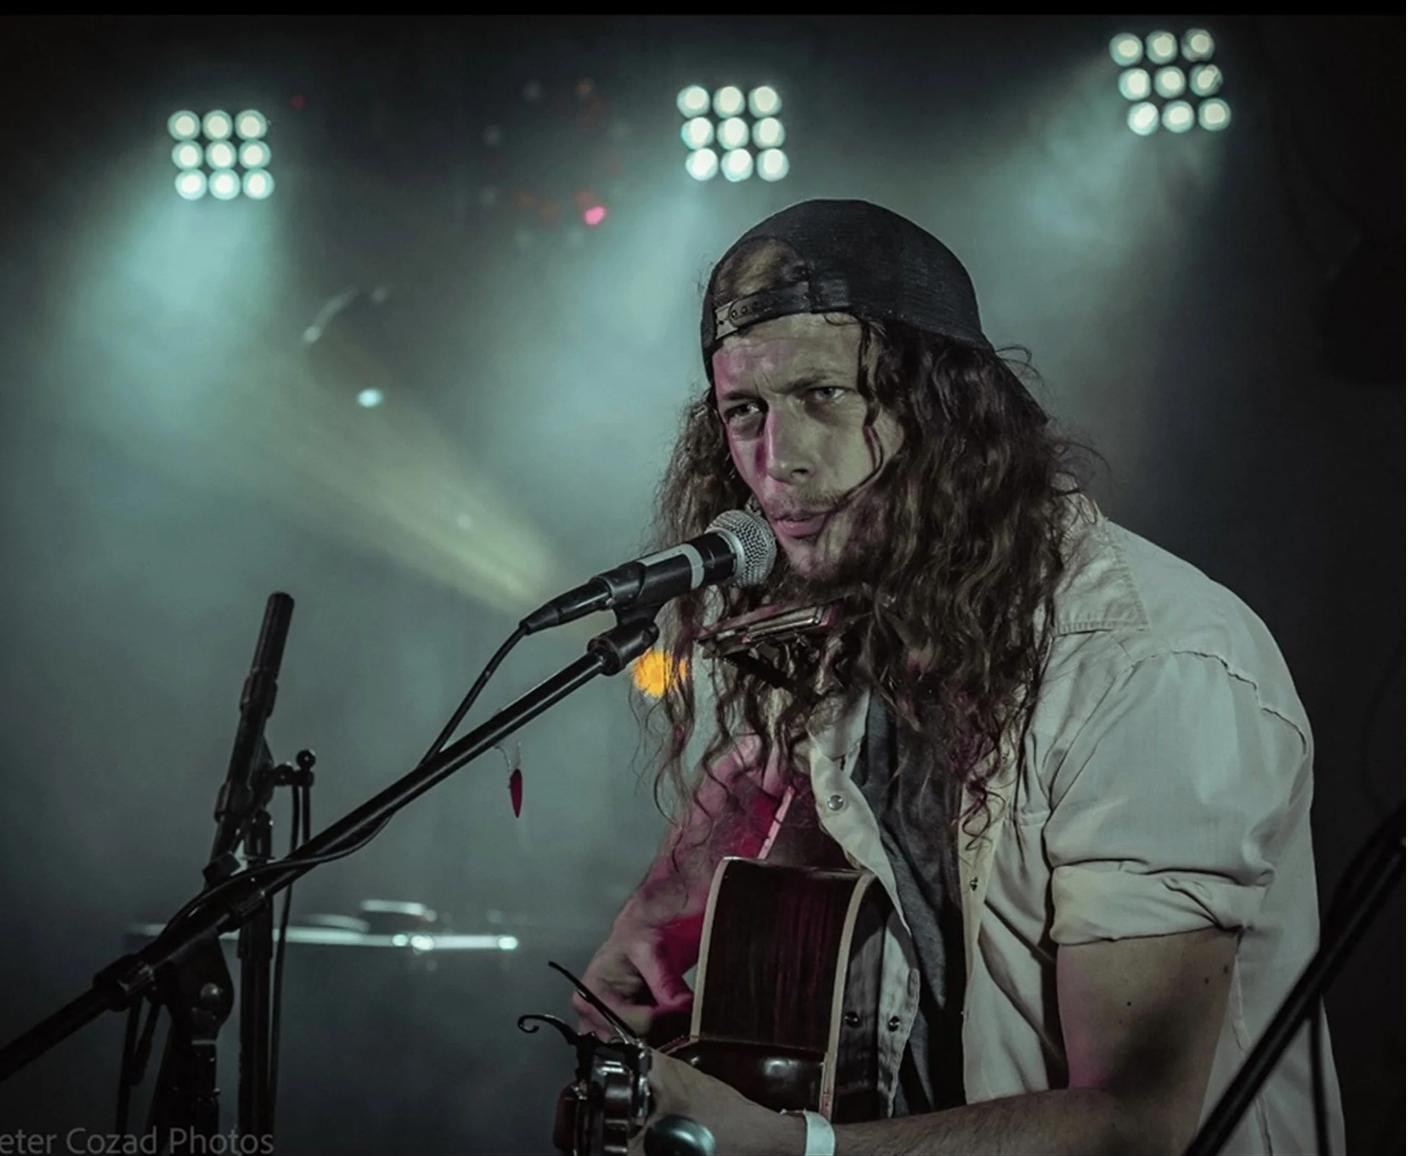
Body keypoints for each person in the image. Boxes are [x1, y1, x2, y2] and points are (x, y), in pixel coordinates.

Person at [572, 199, 1344, 1155]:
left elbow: (1136, 1125)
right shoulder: (865, 619)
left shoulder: (1149, 667)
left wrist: (792, 1149)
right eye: (746, 411)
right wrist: (660, 908)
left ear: (945, 408)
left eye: (824, 394)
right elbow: (773, 774)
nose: (779, 461)